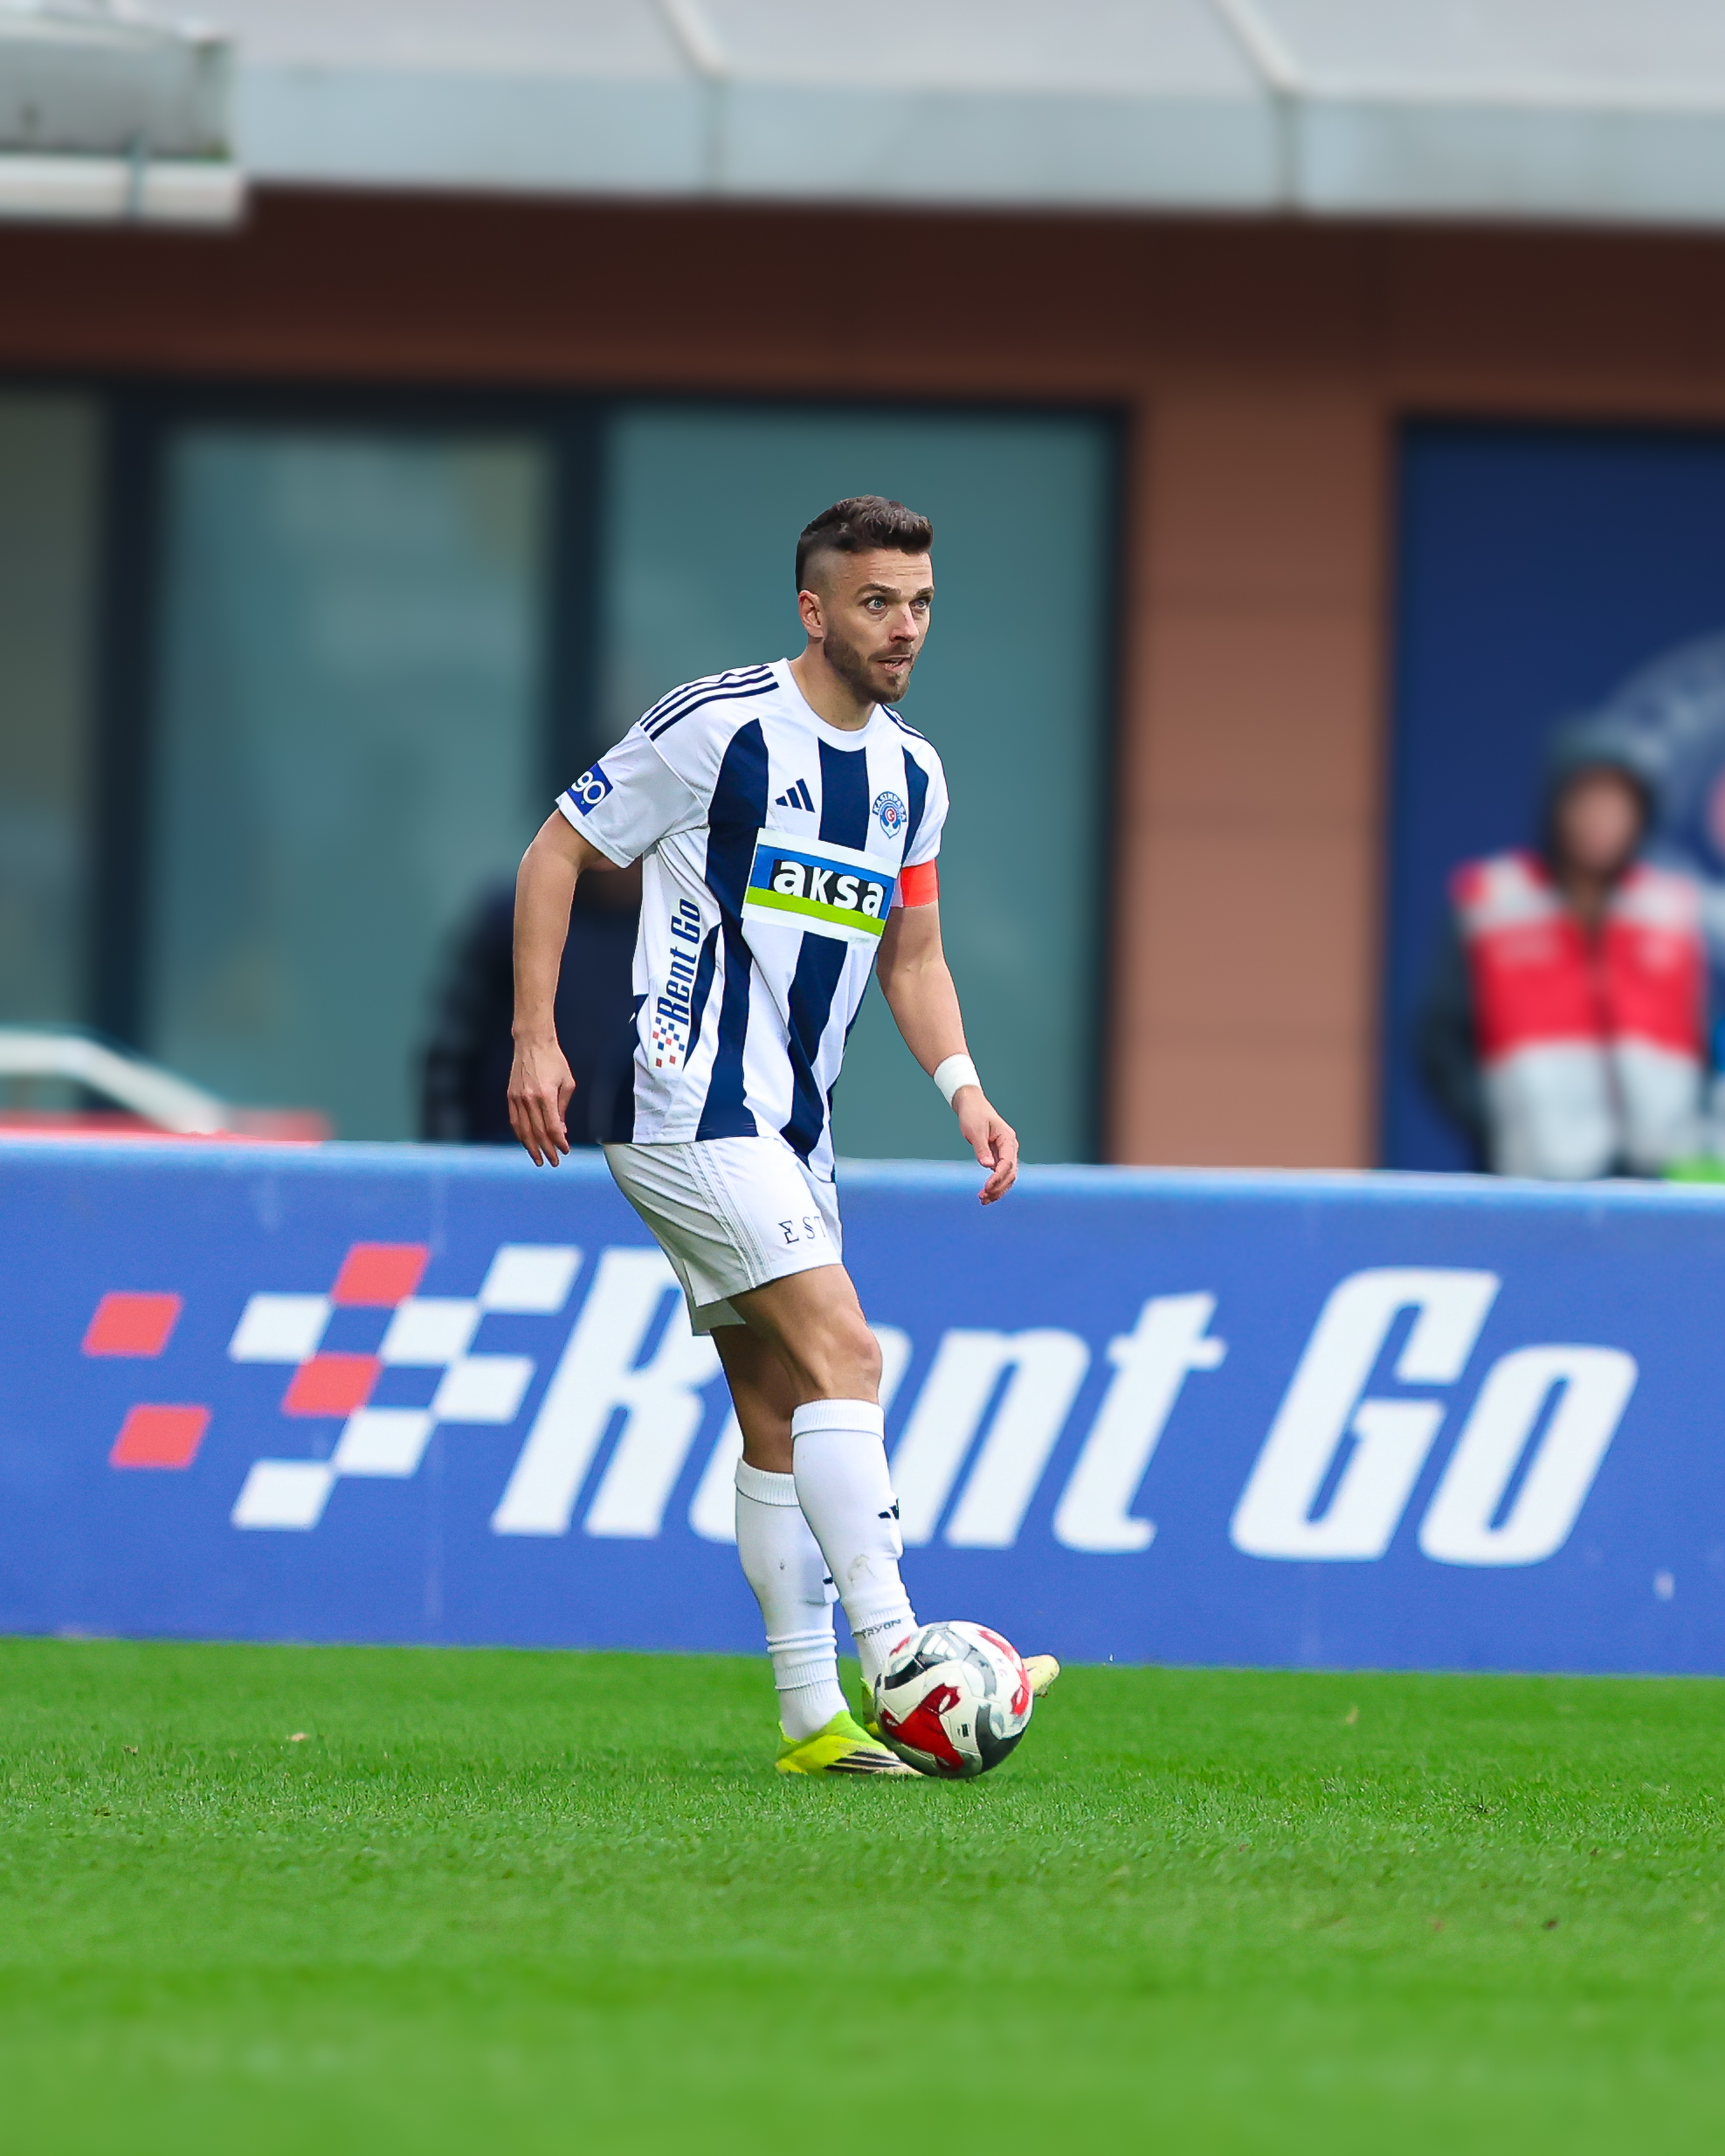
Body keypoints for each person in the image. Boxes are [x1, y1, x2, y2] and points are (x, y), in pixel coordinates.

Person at [507, 495, 1058, 1775]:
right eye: (876, 603)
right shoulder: (718, 727)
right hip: (683, 1100)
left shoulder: (912, 775)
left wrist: (965, 1089)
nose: (903, 627)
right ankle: (900, 1655)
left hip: (788, 1129)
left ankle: (812, 1719)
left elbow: (911, 954)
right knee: (846, 1352)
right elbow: (554, 852)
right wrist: (535, 1037)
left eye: (919, 603)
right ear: (813, 610)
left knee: (777, 1406)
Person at [1419, 725, 1710, 1179]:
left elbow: (1702, 1044)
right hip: (1533, 1176)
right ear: (1556, 807)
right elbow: (1439, 1043)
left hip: (1658, 1175)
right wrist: (1498, 1123)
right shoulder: (1492, 900)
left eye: (1617, 803)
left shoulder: (1671, 908)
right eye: (1586, 800)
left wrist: (1694, 1133)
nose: (1601, 819)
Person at [421, 864, 639, 1146]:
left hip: (624, 1160)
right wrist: (451, 1157)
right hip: (507, 1155)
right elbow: (450, 1056)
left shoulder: (670, 930)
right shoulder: (513, 914)